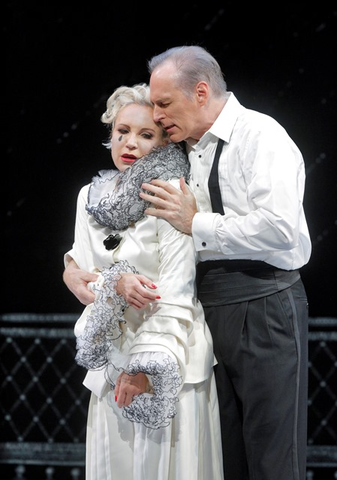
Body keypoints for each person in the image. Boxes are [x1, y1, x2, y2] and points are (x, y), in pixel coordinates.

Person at [133, 45, 311, 480]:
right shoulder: (181, 150)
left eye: (163, 103)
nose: (155, 116)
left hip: (263, 302)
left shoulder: (260, 136)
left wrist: (199, 223)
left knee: (272, 456)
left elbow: (282, 228)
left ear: (199, 92)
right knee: (222, 455)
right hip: (206, 310)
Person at [63, 83, 224, 480]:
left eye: (145, 134)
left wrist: (145, 368)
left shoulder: (171, 193)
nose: (129, 142)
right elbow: (84, 277)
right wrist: (80, 275)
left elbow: (178, 287)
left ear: (165, 141)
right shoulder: (91, 197)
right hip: (111, 363)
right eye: (122, 131)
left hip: (166, 358)